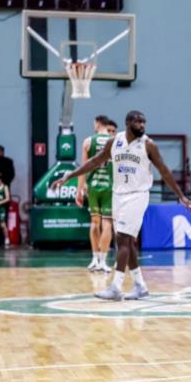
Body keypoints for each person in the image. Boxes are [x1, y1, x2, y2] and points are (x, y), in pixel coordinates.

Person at [53, 110, 191, 300]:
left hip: (138, 195)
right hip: (118, 194)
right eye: (138, 122)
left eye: (144, 122)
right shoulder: (114, 142)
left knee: (123, 240)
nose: (142, 125)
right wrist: (69, 175)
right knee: (127, 241)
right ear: (128, 123)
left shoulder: (148, 145)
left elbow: (164, 171)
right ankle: (140, 286)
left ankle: (116, 286)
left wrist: (181, 196)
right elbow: (95, 161)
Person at [75, 115, 114, 273]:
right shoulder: (115, 141)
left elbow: (83, 168)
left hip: (93, 186)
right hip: (109, 187)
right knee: (107, 224)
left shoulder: (87, 142)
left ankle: (94, 258)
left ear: (98, 124)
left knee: (94, 223)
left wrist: (79, 190)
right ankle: (103, 262)